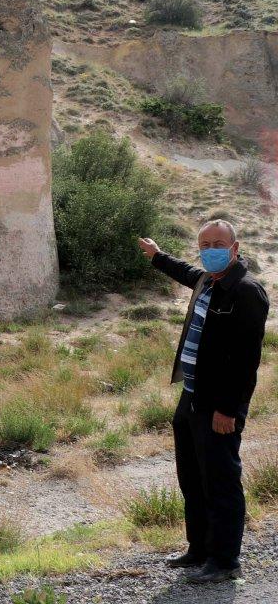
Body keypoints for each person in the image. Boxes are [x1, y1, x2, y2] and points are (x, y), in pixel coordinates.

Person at [138, 221, 269, 583]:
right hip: (192, 396)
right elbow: (185, 271)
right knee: (192, 476)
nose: (210, 249)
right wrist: (157, 256)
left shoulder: (246, 292)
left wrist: (228, 409)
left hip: (220, 404)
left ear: (235, 247)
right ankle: (199, 548)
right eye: (205, 244)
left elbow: (246, 361)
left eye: (218, 243)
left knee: (221, 480)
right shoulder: (206, 280)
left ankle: (225, 561)